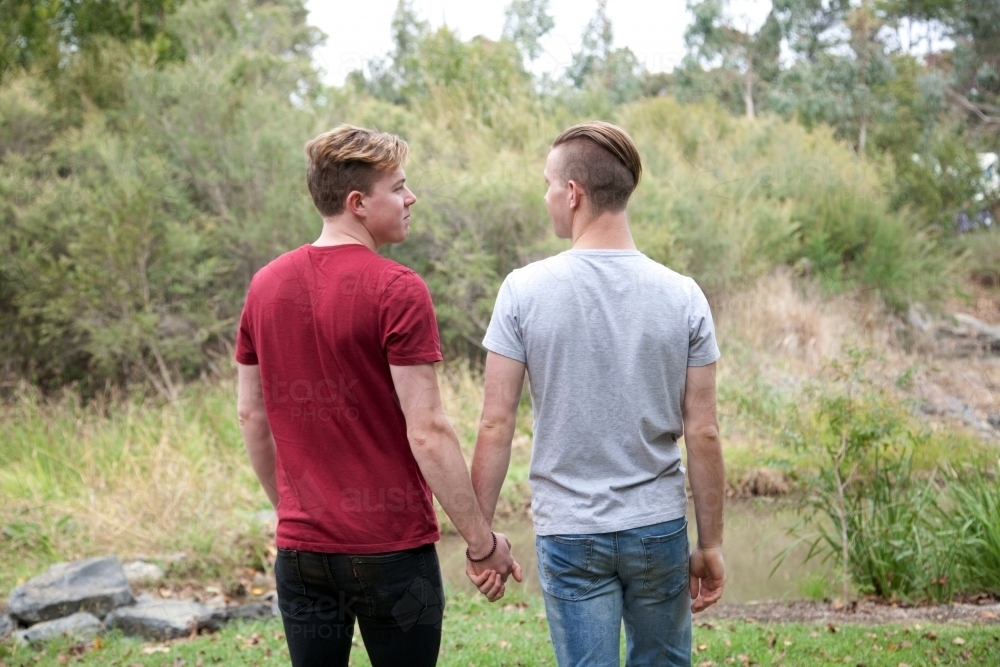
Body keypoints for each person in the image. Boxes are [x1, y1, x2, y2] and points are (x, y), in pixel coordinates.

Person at [235, 124, 521, 667]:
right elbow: (428, 430)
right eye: (399, 187)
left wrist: (293, 510)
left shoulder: (264, 285)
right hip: (391, 552)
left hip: (302, 552)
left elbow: (251, 414)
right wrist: (482, 545)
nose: (411, 198)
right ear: (358, 203)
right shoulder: (397, 288)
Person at [469, 121, 726, 666]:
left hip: (571, 532)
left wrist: (481, 538)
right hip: (657, 525)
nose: (546, 197)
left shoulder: (523, 290)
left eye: (547, 184)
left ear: (573, 193)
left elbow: (496, 425)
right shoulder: (683, 295)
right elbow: (703, 431)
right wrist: (710, 544)